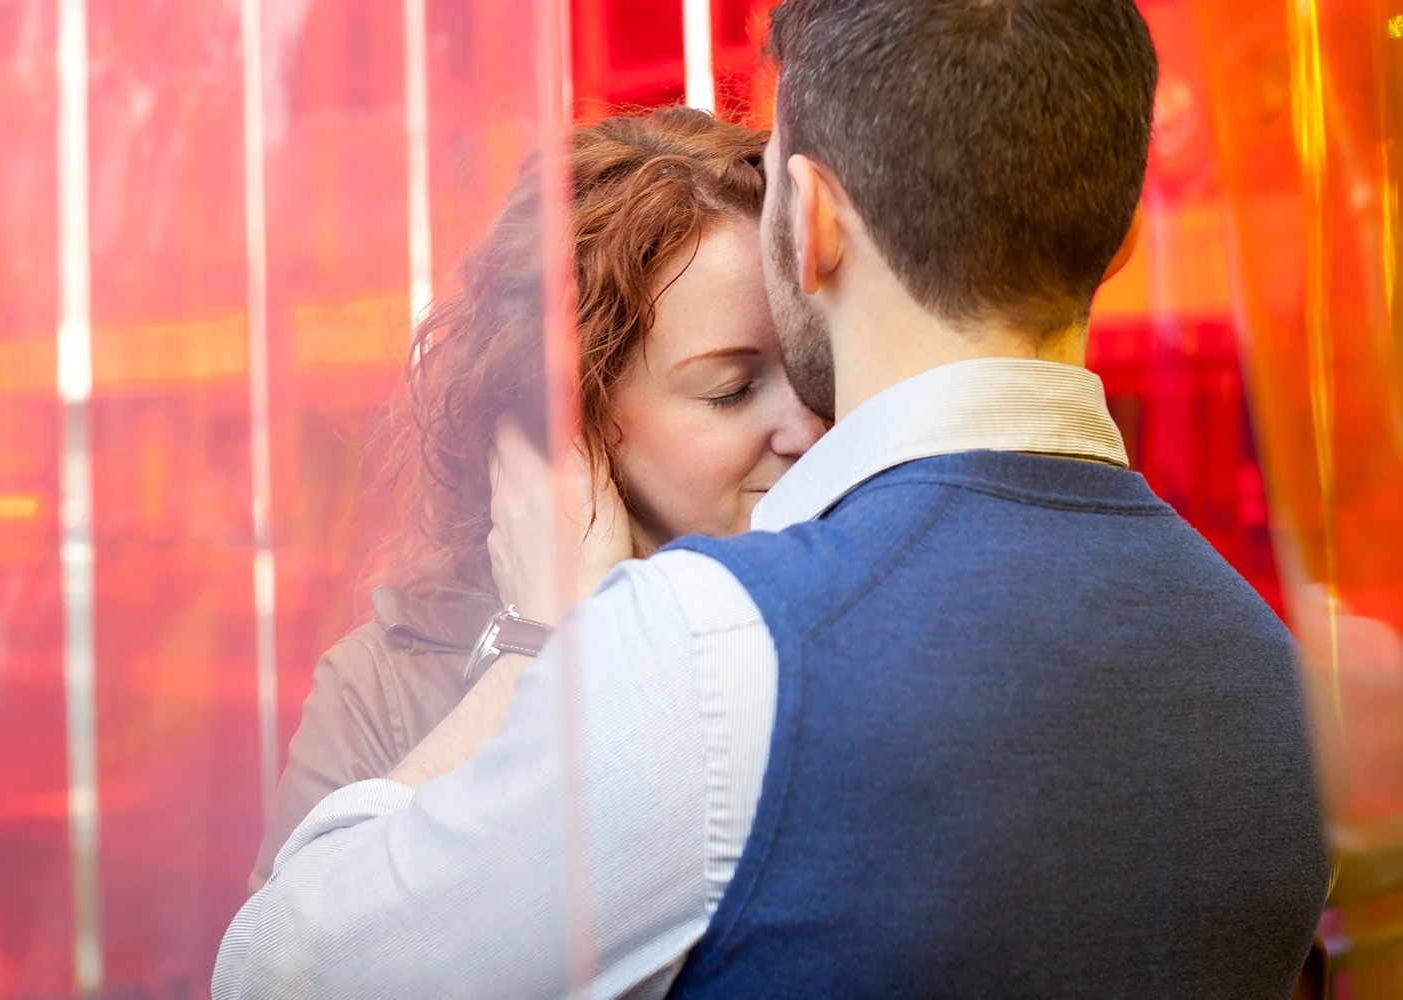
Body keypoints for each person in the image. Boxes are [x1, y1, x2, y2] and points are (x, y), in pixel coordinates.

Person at [216, 1, 1330, 997]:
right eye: (727, 386)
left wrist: (539, 644)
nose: (800, 425)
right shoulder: (1276, 667)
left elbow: (286, 973)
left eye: (796, 375)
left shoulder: (715, 655)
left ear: (813, 224)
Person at [247, 108, 826, 889]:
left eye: (810, 365)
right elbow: (289, 966)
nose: (807, 425)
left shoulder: (867, 603)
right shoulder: (388, 690)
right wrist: (538, 646)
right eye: (731, 390)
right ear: (569, 432)